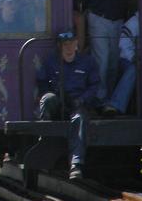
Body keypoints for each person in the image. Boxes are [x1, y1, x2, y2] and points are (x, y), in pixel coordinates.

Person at [36, 30, 102, 179]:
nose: (69, 47)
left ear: (77, 44)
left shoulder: (87, 62)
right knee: (47, 99)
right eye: (65, 44)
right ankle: (45, 147)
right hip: (58, 104)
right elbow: (42, 82)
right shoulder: (51, 62)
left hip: (78, 104)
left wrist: (82, 100)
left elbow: (94, 85)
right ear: (60, 46)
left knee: (79, 119)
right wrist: (51, 94)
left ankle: (76, 165)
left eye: (71, 43)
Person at [84, 0, 132, 97]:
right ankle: (98, 98)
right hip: (98, 18)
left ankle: (110, 97)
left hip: (117, 20)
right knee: (101, 61)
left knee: (113, 62)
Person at [107, 9, 139, 115]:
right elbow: (123, 45)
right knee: (133, 70)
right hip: (127, 60)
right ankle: (115, 105)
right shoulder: (134, 22)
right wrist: (133, 57)